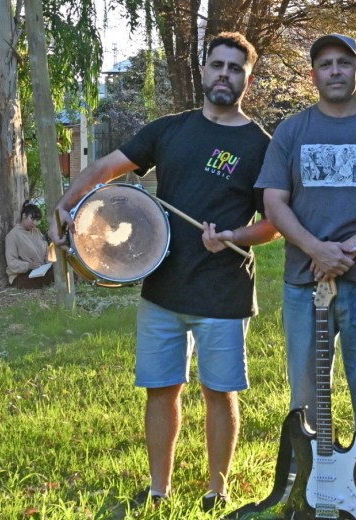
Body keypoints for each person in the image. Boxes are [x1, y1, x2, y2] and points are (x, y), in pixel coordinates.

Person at [47, 32, 277, 512]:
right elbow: (108, 168)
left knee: (220, 392)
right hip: (163, 286)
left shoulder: (260, 145)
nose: (224, 75)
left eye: (235, 69)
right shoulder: (170, 130)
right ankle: (158, 490)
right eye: (217, 65)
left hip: (223, 289)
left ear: (247, 80)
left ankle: (217, 491)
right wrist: (67, 203)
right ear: (204, 70)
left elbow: (274, 224)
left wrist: (235, 235)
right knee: (161, 389)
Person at [255, 33, 356, 518]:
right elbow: (273, 201)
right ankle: (313, 481)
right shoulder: (291, 131)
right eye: (325, 64)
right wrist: (315, 248)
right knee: (305, 389)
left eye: (345, 63)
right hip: (305, 280)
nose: (335, 71)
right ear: (314, 74)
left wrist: (351, 248)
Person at [5, 201, 54, 289]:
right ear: (24, 216)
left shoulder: (37, 232)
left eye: (37, 220)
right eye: (32, 219)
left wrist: (49, 263)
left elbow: (46, 251)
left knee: (62, 271)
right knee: (50, 277)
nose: (34, 223)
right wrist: (28, 265)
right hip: (22, 275)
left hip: (41, 270)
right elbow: (11, 262)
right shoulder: (12, 235)